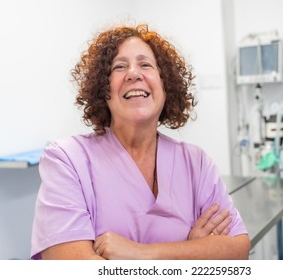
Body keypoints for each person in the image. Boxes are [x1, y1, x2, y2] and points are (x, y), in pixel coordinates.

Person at [30, 23, 250, 260]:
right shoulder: (67, 159)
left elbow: (237, 249)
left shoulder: (196, 163)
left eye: (145, 64)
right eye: (119, 67)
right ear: (103, 90)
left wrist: (143, 253)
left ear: (166, 86)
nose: (133, 73)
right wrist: (189, 251)